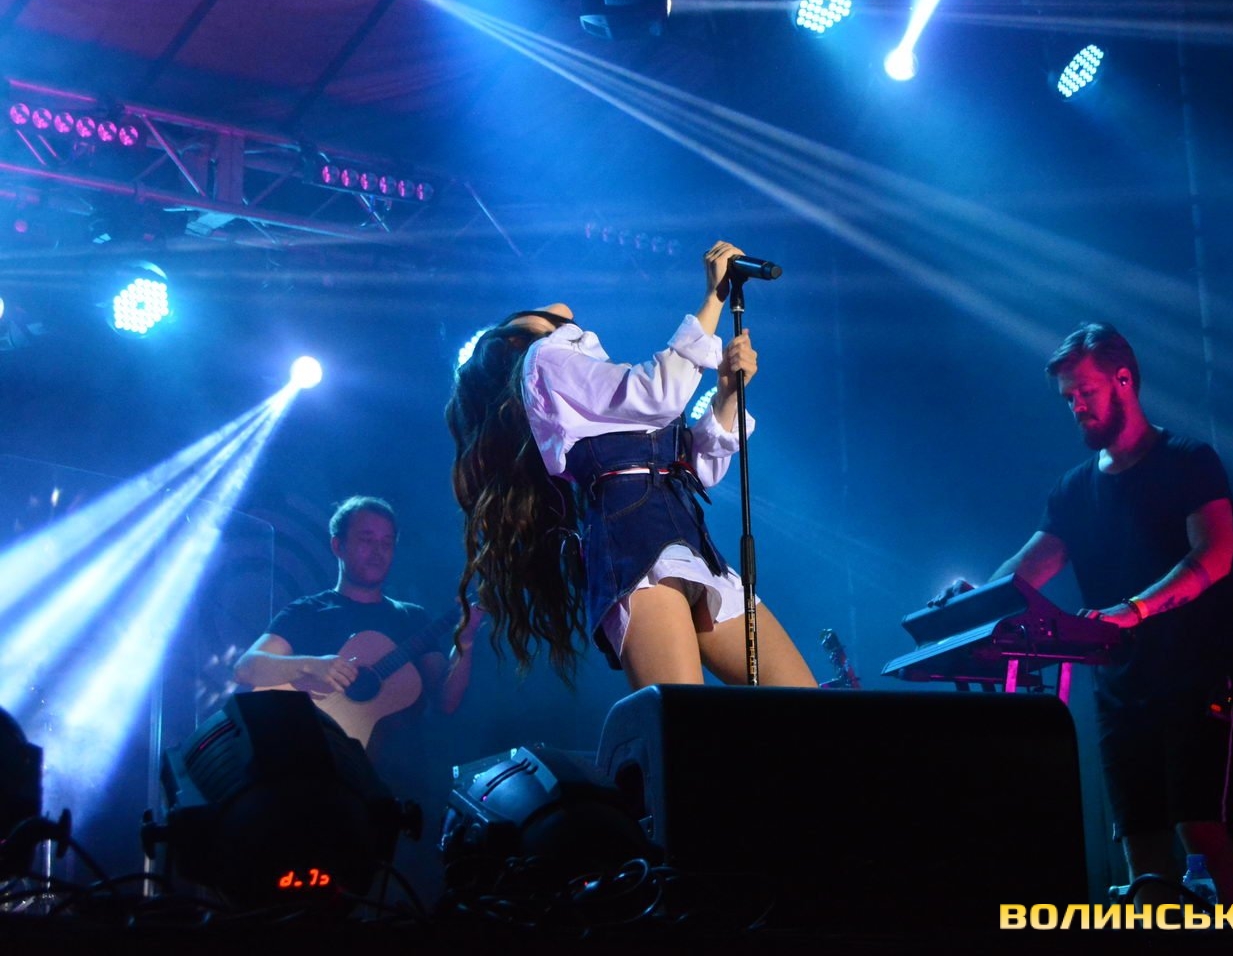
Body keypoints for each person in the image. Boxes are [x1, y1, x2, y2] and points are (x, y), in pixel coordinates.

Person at [445, 240, 815, 690]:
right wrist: (714, 298)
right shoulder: (542, 359)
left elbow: (697, 470)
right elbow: (658, 391)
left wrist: (726, 394)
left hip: (689, 539)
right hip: (633, 548)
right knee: (684, 719)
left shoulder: (593, 381)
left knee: (803, 700)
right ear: (514, 340)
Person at [982, 322, 1233, 906]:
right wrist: (973, 600)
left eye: (1085, 392)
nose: (1076, 406)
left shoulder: (1188, 460)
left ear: (1124, 381)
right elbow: (1024, 571)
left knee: (1201, 829)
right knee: (1140, 846)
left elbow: (1216, 553)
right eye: (1069, 399)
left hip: (1194, 680)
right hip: (1120, 692)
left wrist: (1133, 610)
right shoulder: (1074, 490)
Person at [232, 496, 476, 762]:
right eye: (366, 540)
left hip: (401, 774)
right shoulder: (307, 612)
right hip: (314, 762)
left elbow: (446, 702)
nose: (378, 552)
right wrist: (311, 666)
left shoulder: (412, 618)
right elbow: (246, 669)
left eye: (386, 543)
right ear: (338, 545)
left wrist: (465, 641)